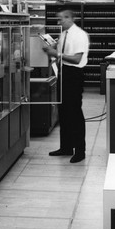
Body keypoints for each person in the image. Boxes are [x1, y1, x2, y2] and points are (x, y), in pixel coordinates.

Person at [42, 9, 89, 163]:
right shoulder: (64, 33)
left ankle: (80, 151)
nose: (59, 22)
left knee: (74, 113)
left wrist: (56, 54)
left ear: (70, 18)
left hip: (74, 75)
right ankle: (66, 147)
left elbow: (76, 59)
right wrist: (52, 47)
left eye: (61, 19)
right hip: (64, 73)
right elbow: (60, 50)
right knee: (63, 111)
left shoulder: (79, 35)